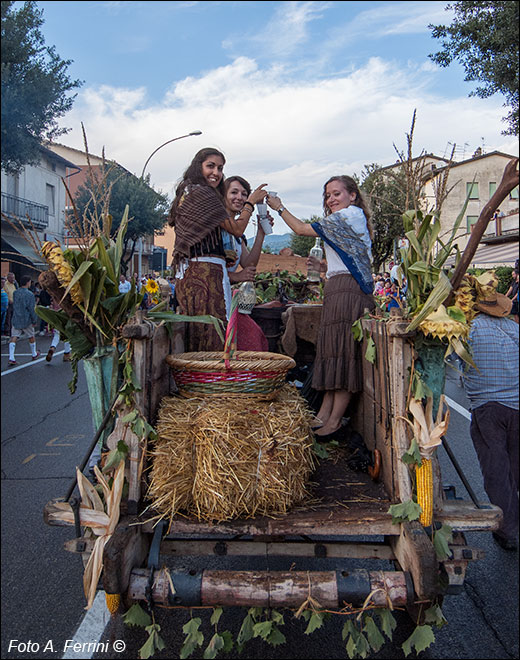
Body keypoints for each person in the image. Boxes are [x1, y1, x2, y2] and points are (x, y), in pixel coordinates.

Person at [267, 175, 375, 438]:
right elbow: (347, 262)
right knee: (331, 352)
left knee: (342, 352)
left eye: (337, 193)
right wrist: (325, 268)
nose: (331, 199)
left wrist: (279, 207)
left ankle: (334, 420)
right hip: (339, 290)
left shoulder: (349, 215)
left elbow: (302, 229)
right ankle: (324, 415)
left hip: (348, 293)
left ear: (352, 195)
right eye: (328, 195)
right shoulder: (347, 220)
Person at [168, 148, 266, 351]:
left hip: (202, 274)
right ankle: (210, 380)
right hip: (204, 275)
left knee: (207, 337)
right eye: (210, 166)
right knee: (213, 339)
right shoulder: (202, 192)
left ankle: (207, 379)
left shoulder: (193, 191)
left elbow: (246, 258)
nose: (216, 173)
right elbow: (238, 229)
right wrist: (251, 203)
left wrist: (260, 232)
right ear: (198, 166)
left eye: (220, 168)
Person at [462, 289, 519, 551]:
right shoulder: (514, 329)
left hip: (487, 407)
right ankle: (511, 519)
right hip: (517, 405)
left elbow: (454, 361)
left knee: (497, 470)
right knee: (513, 467)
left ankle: (507, 530)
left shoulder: (469, 329)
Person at [8, 275, 40, 366]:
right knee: (31, 335)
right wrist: (34, 320)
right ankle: (34, 353)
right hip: (27, 318)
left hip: (16, 317)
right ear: (27, 282)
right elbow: (31, 308)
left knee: (14, 336)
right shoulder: (30, 294)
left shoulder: (15, 293)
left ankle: (11, 356)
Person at [3, 272, 18, 336]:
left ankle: (13, 331)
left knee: (13, 318)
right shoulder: (5, 284)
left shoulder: (14, 284)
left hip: (14, 303)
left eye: (14, 278)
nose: (13, 279)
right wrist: (9, 300)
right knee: (8, 318)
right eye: (12, 278)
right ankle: (7, 331)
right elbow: (6, 293)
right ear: (8, 278)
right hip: (8, 303)